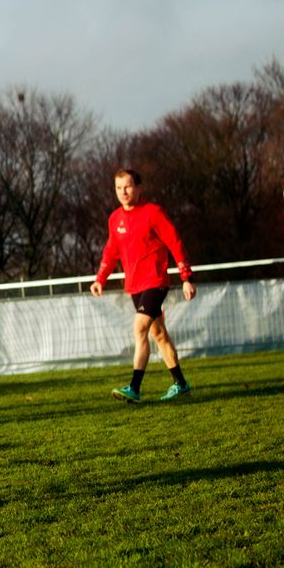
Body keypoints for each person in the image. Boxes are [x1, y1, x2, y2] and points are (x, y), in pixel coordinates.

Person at [90, 168, 196, 402]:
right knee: (158, 334)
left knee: (139, 329)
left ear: (139, 188)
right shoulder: (115, 219)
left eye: (127, 186)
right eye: (118, 188)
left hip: (155, 282)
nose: (123, 192)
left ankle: (134, 388)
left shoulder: (153, 212)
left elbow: (174, 242)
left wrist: (186, 277)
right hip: (135, 286)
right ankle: (181, 384)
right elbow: (111, 252)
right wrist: (100, 279)